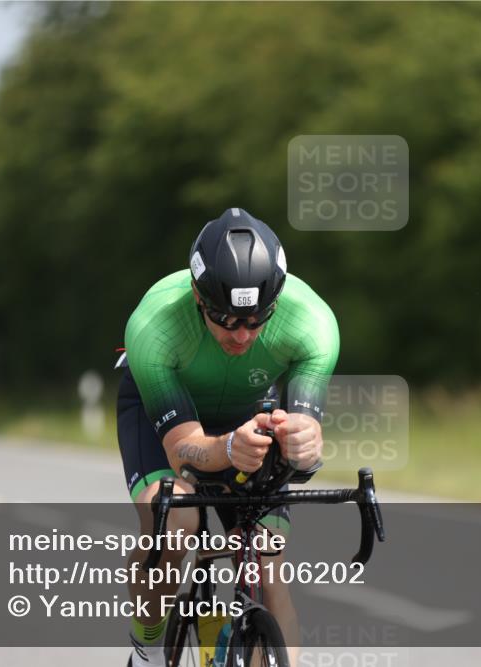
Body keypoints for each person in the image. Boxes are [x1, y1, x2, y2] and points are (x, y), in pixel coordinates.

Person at [116, 207, 339, 666]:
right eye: (224, 318)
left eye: (257, 320)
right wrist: (227, 449)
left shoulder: (312, 322)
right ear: (198, 296)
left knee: (264, 561)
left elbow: (307, 426)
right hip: (167, 417)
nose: (241, 335)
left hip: (250, 413)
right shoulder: (154, 325)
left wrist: (305, 441)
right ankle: (146, 646)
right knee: (175, 525)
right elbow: (183, 450)